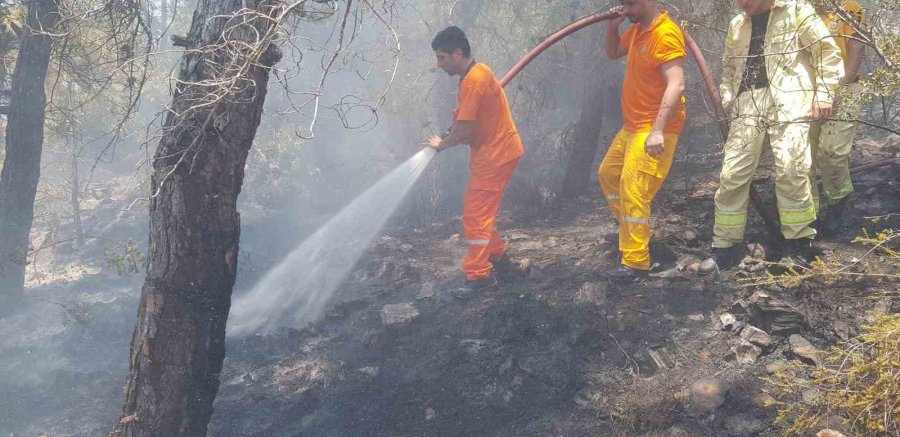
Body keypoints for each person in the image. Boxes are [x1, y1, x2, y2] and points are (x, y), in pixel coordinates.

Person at [706, 0, 844, 270]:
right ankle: (725, 246)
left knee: (792, 168)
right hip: (748, 103)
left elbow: (827, 52)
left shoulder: (796, 10)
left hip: (790, 99)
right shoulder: (738, 24)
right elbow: (729, 67)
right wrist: (727, 94)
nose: (739, 4)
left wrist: (825, 94)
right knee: (732, 173)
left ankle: (799, 242)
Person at [424, 26, 525, 297]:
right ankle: (500, 262)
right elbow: (470, 120)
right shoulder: (477, 73)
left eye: (442, 57)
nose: (439, 64)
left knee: (475, 214)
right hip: (495, 152)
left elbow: (465, 131)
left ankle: (478, 275)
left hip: (495, 154)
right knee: (481, 211)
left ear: (458, 53)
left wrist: (441, 145)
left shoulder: (473, 81)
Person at [598, 0, 687, 281]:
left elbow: (677, 84)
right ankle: (631, 232)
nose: (627, 9)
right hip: (633, 125)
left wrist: (658, 130)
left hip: (654, 127)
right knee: (609, 174)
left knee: (633, 186)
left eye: (631, 3)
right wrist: (613, 26)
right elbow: (613, 52)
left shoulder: (665, 33)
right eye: (623, 3)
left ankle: (636, 262)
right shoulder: (638, 30)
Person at [809, 0, 866, 235]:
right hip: (807, 91)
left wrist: (838, 89)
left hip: (844, 89)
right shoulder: (801, 10)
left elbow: (856, 48)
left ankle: (837, 199)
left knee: (831, 152)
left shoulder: (849, 7)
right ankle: (808, 212)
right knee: (804, 157)